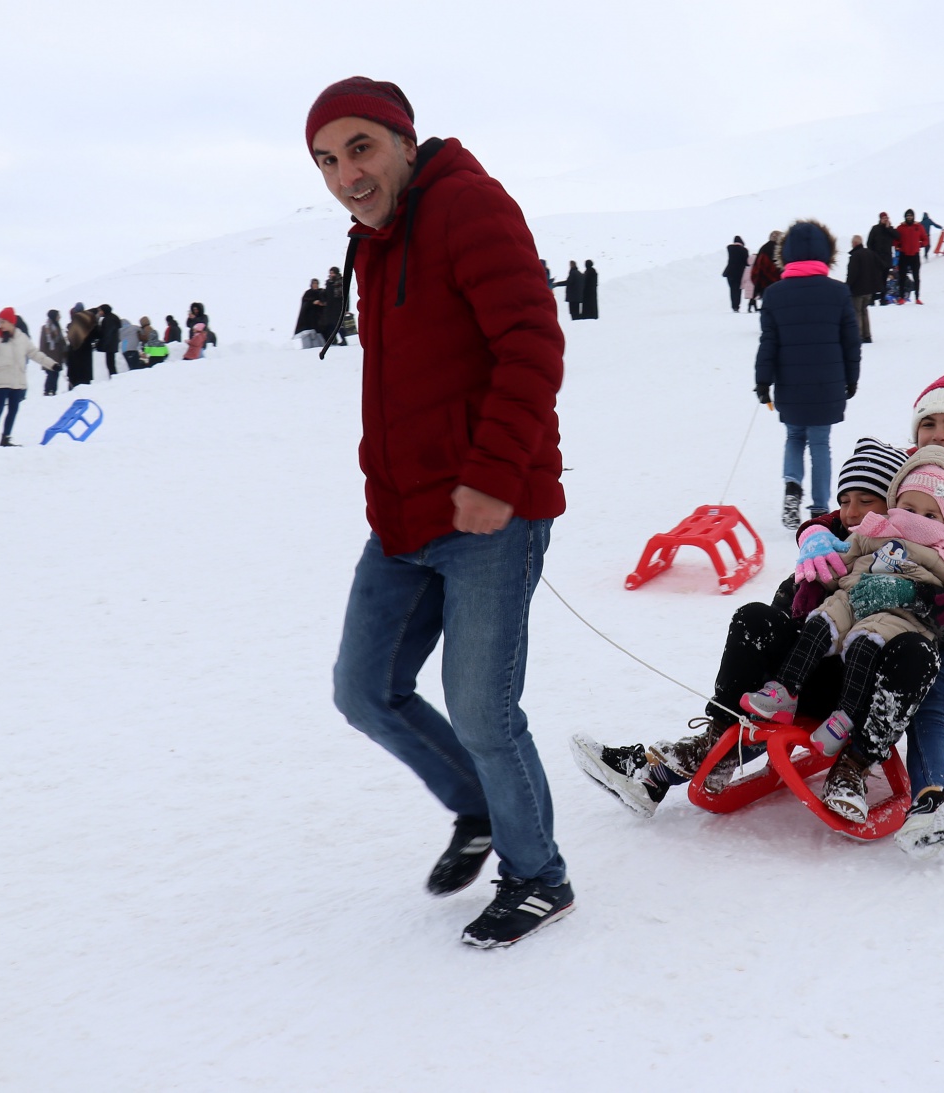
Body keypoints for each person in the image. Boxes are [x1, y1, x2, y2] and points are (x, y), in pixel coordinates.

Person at [307, 75, 572, 948]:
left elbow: (533, 338)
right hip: (404, 518)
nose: (347, 173)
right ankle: (480, 808)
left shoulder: (467, 207)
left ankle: (539, 876)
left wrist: (495, 473)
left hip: (491, 511)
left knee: (483, 711)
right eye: (326, 159)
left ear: (402, 141)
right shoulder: (374, 243)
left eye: (359, 148)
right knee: (364, 688)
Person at [574, 371, 944, 856]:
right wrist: (812, 534)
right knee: (764, 619)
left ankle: (927, 797)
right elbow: (850, 517)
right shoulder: (901, 477)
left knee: (926, 677)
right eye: (928, 422)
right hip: (860, 630)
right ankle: (698, 749)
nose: (939, 434)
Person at [739, 446, 944, 820]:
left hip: (897, 624)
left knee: (870, 647)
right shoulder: (872, 533)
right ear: (894, 503)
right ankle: (783, 692)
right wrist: (813, 574)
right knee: (818, 624)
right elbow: (841, 552)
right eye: (909, 510)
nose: (917, 521)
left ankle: (850, 734)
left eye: (930, 515)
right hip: (849, 603)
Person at [755, 219, 860, 528]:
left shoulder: (774, 294)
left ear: (785, 254)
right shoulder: (838, 292)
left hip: (790, 384)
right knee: (820, 444)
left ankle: (791, 485)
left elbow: (768, 342)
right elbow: (850, 341)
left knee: (794, 436)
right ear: (826, 254)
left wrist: (763, 381)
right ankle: (819, 509)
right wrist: (851, 377)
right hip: (828, 384)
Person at [0, 307, 55, 447]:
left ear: (12, 322)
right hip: (1, 382)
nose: (1, 324)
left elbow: (35, 354)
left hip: (17, 382)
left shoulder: (22, 338)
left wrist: (52, 365)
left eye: (4, 321)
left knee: (13, 411)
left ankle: (6, 438)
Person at [845, 234, 884, 344]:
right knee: (864, 311)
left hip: (857, 290)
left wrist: (847, 286)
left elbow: (852, 274)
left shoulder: (855, 256)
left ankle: (859, 336)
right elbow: (882, 265)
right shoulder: (870, 253)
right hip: (869, 289)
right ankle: (867, 335)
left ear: (855, 243)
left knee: (857, 312)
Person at [894, 210, 930, 303]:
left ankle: (917, 298)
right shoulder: (900, 228)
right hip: (904, 255)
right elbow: (895, 240)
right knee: (902, 276)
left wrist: (920, 244)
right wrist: (898, 246)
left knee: (916, 277)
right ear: (905, 217)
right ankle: (901, 297)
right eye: (907, 216)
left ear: (913, 217)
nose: (909, 217)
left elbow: (925, 239)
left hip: (915, 255)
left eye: (911, 216)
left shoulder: (918, 227)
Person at [866, 212, 899, 304]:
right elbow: (869, 243)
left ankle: (883, 298)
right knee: (875, 278)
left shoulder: (890, 229)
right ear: (880, 219)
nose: (885, 219)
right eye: (883, 218)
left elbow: (897, 236)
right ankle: (872, 299)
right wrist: (873, 254)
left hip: (887, 257)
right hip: (877, 258)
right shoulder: (875, 229)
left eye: (886, 218)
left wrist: (889, 228)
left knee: (884, 278)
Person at [65, 306, 96, 388]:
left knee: (74, 379)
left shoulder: (71, 326)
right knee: (84, 380)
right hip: (85, 354)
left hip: (73, 355)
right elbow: (96, 334)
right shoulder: (89, 323)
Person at [38, 309, 66, 395]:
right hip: (49, 355)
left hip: (57, 355)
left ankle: (53, 390)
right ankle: (47, 390)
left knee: (56, 373)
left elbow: (61, 341)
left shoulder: (57, 326)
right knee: (51, 373)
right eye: (58, 315)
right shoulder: (46, 328)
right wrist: (42, 357)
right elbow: (42, 342)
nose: (59, 317)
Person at [322, 267, 349, 345]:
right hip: (329, 307)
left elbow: (346, 296)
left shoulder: (341, 282)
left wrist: (346, 308)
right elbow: (326, 293)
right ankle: (334, 339)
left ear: (336, 273)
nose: (331, 274)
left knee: (338, 324)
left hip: (338, 307)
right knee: (330, 324)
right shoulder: (328, 282)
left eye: (333, 273)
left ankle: (343, 339)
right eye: (330, 273)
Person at [723, 236, 750, 312]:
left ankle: (733, 306)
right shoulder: (744, 250)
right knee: (738, 290)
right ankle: (736, 307)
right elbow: (746, 262)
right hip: (739, 273)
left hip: (729, 272)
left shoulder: (730, 248)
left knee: (732, 290)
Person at [95, 305, 122, 377]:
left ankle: (114, 378)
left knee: (110, 364)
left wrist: (102, 344)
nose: (99, 312)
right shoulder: (112, 318)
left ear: (104, 310)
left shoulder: (108, 319)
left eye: (100, 310)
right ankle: (114, 378)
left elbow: (106, 333)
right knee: (111, 364)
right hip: (112, 344)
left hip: (109, 344)